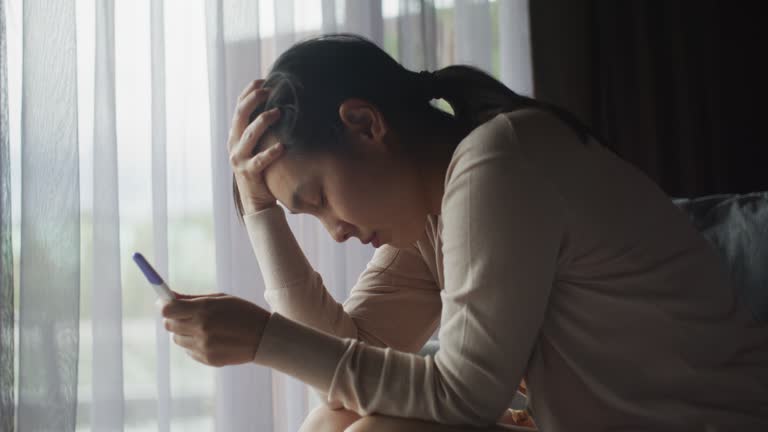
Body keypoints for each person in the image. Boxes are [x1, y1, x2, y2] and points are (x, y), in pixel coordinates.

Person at [158, 34, 768, 431]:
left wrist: (264, 338)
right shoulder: (435, 210)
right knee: (334, 420)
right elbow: (349, 361)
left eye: (318, 198)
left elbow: (464, 395)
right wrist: (260, 211)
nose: (335, 231)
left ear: (365, 124)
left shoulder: (500, 161)